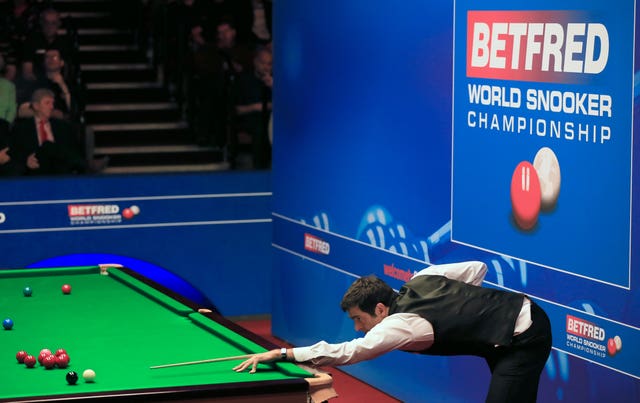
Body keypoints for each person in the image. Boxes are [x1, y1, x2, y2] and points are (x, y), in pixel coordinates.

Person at [233, 261, 552, 403]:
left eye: (359, 319)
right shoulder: (422, 278)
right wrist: (470, 309)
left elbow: (349, 352)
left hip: (522, 336)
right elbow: (477, 268)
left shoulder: (399, 326)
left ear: (381, 309)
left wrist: (283, 353)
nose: (357, 328)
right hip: (504, 330)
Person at [10, 88, 86, 175]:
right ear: (36, 106)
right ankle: (88, 164)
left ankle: (85, 164)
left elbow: (72, 150)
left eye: (52, 103)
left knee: (51, 148)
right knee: (47, 146)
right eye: (47, 103)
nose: (52, 107)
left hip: (60, 168)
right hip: (36, 169)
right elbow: (15, 153)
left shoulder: (63, 127)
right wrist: (26, 160)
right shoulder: (22, 128)